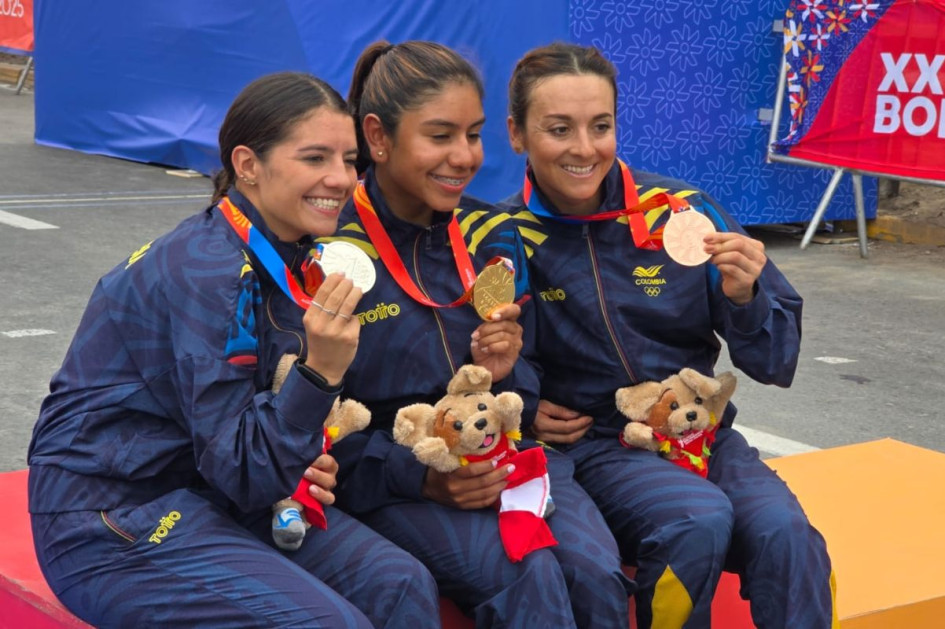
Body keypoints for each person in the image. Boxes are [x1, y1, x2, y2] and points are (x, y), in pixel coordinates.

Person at [26, 71, 438, 628]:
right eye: (315, 158)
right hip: (110, 517)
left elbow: (244, 442)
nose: (340, 179)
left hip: (205, 485)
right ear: (247, 165)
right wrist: (320, 376)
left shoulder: (291, 248)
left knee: (402, 584)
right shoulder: (210, 272)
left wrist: (300, 450)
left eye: (348, 159)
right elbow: (246, 469)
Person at [500, 42, 836, 629]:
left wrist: (745, 297)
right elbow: (485, 355)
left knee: (789, 536)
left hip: (703, 436)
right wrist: (527, 407)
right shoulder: (502, 236)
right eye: (559, 129)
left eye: (600, 126)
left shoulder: (682, 212)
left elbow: (774, 359)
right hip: (603, 444)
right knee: (695, 518)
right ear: (517, 134)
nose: (584, 148)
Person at [322, 40, 633, 628]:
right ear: (378, 137)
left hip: (503, 457)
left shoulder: (491, 232)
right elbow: (310, 413)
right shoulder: (334, 251)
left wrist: (509, 372)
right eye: (440, 136)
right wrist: (420, 476)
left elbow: (531, 384)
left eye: (473, 134)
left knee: (594, 572)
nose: (464, 157)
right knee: (527, 573)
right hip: (393, 480)